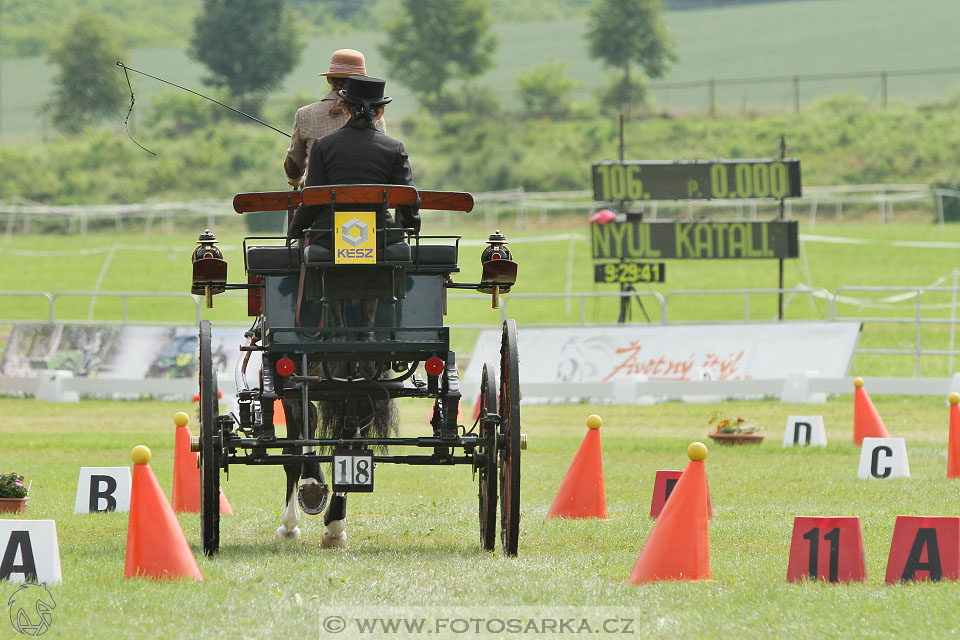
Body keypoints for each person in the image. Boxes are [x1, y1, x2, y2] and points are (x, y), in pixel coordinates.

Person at [283, 49, 387, 189]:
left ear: (329, 79)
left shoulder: (305, 114)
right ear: (362, 80)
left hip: (319, 200)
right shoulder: (374, 116)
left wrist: (295, 183)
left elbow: (294, 166)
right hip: (367, 199)